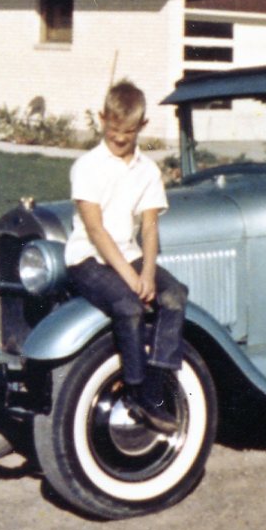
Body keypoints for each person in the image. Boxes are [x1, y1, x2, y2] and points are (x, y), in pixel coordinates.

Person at [64, 80, 188, 434]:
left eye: (128, 132)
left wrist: (147, 272)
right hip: (88, 259)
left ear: (142, 127)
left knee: (174, 296)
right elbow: (96, 230)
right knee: (129, 306)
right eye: (114, 129)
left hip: (129, 254)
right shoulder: (87, 166)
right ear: (103, 119)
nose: (120, 138)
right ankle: (134, 390)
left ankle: (156, 386)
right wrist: (131, 279)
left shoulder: (147, 171)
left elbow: (149, 227)